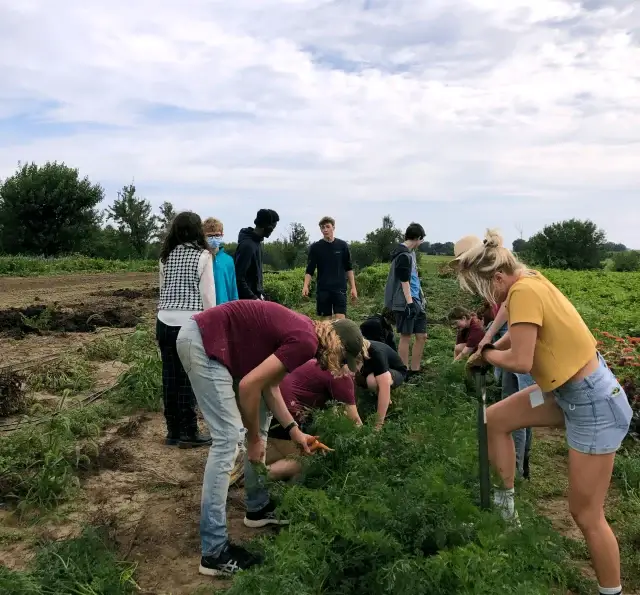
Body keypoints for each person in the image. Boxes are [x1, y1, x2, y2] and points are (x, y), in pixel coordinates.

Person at [456, 229, 633, 595]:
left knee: (586, 514)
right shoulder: (527, 278)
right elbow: (515, 335)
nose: (491, 299)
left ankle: (611, 591)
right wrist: (488, 343)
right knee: (497, 420)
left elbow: (521, 360)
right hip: (566, 392)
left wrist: (486, 355)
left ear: (498, 278)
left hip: (593, 403)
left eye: (487, 289)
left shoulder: (524, 291)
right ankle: (506, 514)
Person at [176, 300, 366, 576]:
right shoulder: (305, 341)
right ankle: (214, 552)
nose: (338, 366)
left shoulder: (305, 333)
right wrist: (252, 438)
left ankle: (257, 508)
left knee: (262, 420)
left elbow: (271, 388)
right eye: (342, 359)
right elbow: (249, 385)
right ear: (337, 346)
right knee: (229, 438)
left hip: (216, 341)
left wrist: (295, 432)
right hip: (203, 340)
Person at [156, 212, 215, 449]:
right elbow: (208, 297)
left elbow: (163, 291)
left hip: (164, 320)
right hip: (189, 323)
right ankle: (189, 431)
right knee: (189, 378)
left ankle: (172, 431)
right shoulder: (203, 256)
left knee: (169, 377)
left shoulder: (165, 256)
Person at [266, 358, 362, 482]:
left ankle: (251, 472)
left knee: (277, 450)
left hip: (272, 401)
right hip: (288, 411)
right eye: (358, 368)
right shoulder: (341, 374)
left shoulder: (319, 361)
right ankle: (259, 477)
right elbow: (355, 421)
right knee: (308, 460)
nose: (357, 372)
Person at [384, 222, 427, 380]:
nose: (421, 243)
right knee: (406, 335)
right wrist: (409, 303)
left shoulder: (410, 253)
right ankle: (404, 371)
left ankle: (415, 370)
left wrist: (420, 298)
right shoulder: (402, 255)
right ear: (418, 238)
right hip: (405, 301)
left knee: (422, 335)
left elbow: (414, 278)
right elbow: (404, 281)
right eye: (421, 240)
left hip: (416, 299)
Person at [303, 216, 358, 319]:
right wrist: (306, 285)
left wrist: (353, 287)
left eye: (327, 227)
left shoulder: (342, 246)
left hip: (340, 289)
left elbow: (348, 268)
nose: (325, 230)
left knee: (341, 322)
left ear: (333, 227)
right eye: (322, 228)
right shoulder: (316, 247)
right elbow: (310, 269)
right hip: (323, 289)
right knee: (325, 324)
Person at [355, 339, 407, 428]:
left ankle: (385, 403)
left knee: (372, 381)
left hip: (394, 372)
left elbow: (384, 383)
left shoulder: (376, 352)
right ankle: (383, 399)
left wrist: (378, 425)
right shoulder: (349, 351)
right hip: (369, 371)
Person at [235, 209, 279, 300]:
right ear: (267, 227)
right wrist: (254, 298)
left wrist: (261, 295)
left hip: (255, 298)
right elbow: (239, 278)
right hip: (247, 302)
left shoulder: (257, 243)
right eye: (273, 228)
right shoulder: (248, 246)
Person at [203, 217, 238, 305]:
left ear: (222, 235)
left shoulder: (228, 260)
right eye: (210, 235)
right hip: (204, 308)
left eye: (217, 235)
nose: (214, 238)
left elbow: (233, 287)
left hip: (223, 307)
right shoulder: (200, 257)